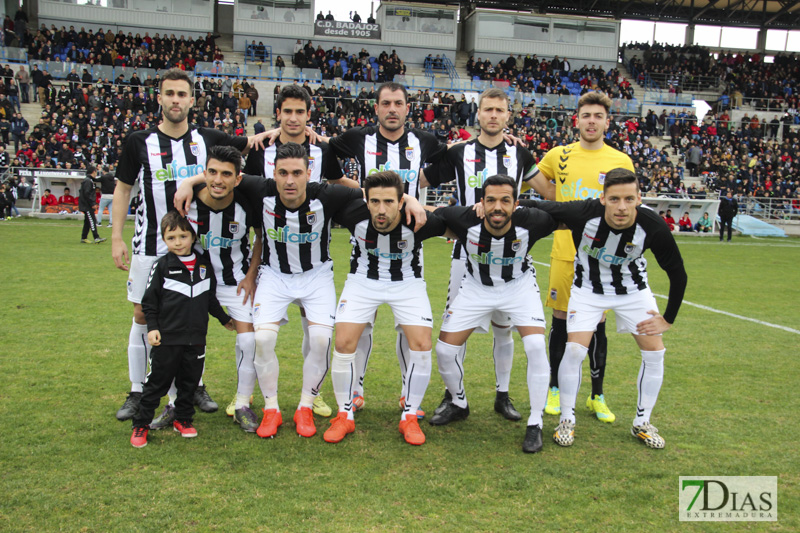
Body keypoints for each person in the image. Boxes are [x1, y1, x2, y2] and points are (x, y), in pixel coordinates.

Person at [111, 69, 265, 422]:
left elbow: (245, 150)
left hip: (194, 244)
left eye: (182, 94)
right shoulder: (139, 141)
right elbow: (122, 188)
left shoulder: (207, 137)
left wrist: (294, 132)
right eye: (170, 93)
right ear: (160, 98)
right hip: (151, 242)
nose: (176, 100)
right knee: (141, 314)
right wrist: (117, 236)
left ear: (192, 100)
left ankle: (192, 386)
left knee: (193, 313)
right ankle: (138, 390)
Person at [526, 169, 687, 449]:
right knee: (575, 350)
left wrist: (668, 319)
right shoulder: (584, 212)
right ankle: (567, 419)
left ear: (638, 198)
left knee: (656, 353)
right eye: (614, 199)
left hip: (633, 292)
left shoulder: (652, 225)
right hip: (588, 291)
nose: (622, 207)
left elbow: (677, 272)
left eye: (628, 199)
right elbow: (537, 205)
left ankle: (642, 422)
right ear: (602, 199)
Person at [219, 142, 365, 439]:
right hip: (274, 276)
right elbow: (224, 175)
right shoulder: (262, 190)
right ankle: (271, 409)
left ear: (308, 174)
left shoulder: (326, 194)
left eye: (297, 173)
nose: (289, 180)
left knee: (322, 339)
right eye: (282, 173)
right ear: (273, 173)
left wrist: (411, 201)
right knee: (262, 339)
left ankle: (305, 406)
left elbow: (371, 193)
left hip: (316, 276)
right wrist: (189, 184)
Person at [321, 81, 446, 415]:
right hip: (366, 239)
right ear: (376, 108)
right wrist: (358, 190)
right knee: (360, 326)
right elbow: (329, 158)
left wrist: (414, 196)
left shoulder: (425, 141)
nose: (392, 109)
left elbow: (450, 162)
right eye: (386, 103)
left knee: (411, 328)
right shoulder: (357, 139)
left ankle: (408, 395)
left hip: (408, 245)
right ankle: (355, 390)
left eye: (399, 103)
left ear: (408, 108)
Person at [421, 88, 540, 422]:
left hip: (510, 256)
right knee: (453, 326)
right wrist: (443, 213)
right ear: (478, 114)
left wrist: (522, 211)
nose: (492, 115)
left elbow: (549, 191)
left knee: (504, 329)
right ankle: (454, 397)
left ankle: (503, 396)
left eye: (499, 110)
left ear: (507, 116)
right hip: (466, 253)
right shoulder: (459, 153)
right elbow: (420, 179)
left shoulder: (520, 154)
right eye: (487, 109)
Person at [243, 84, 359, 418]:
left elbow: (339, 185)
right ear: (277, 114)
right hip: (272, 255)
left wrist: (391, 193)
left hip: (314, 257)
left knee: (317, 335)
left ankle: (313, 395)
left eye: (300, 112)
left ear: (309, 115)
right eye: (287, 111)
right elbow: (246, 192)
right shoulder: (259, 148)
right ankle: (254, 398)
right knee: (260, 337)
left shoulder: (323, 150)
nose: (293, 118)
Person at [426, 175, 559, 453]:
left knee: (535, 346)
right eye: (491, 200)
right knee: (444, 351)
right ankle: (459, 402)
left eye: (505, 200)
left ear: (516, 204)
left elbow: (570, 213)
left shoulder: (533, 220)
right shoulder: (463, 218)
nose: (497, 207)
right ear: (481, 202)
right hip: (476, 288)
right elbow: (433, 215)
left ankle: (535, 423)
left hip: (518, 287)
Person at [525, 91, 635, 424]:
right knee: (560, 320)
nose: (591, 121)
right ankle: (555, 389)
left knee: (597, 323)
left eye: (597, 116)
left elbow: (628, 206)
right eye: (586, 115)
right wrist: (514, 146)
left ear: (606, 121)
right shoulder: (559, 155)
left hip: (601, 257)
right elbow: (534, 179)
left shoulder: (620, 161)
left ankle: (596, 395)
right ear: (577, 119)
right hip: (565, 253)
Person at [323, 171, 440, 446]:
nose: (381, 209)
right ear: (366, 199)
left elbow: (459, 219)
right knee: (343, 342)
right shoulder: (353, 212)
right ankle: (344, 415)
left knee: (422, 345)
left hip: (408, 282)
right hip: (363, 281)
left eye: (389, 201)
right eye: (374, 201)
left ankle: (409, 416)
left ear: (401, 203)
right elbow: (323, 186)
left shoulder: (420, 219)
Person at [153, 146, 263, 432]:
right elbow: (172, 239)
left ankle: (242, 403)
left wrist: (251, 276)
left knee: (249, 341)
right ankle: (174, 404)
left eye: (226, 174)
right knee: (177, 343)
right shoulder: (186, 203)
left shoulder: (246, 203)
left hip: (235, 280)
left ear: (237, 178)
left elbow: (261, 237)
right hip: (192, 282)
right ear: (204, 173)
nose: (218, 180)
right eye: (212, 172)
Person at [130, 212, 235, 448]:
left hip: (196, 339)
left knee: (189, 382)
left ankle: (183, 419)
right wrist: (153, 328)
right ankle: (141, 424)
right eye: (171, 237)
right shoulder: (162, 266)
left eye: (183, 236)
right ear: (165, 240)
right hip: (167, 339)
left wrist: (223, 319)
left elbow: (210, 299)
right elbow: (149, 302)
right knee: (156, 383)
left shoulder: (204, 266)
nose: (178, 242)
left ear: (192, 237)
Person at [79, 165, 106, 244]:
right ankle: (96, 237)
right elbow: (87, 193)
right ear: (93, 172)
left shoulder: (88, 180)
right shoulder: (88, 181)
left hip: (86, 204)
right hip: (87, 205)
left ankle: (84, 238)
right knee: (92, 221)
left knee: (87, 221)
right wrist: (92, 203)